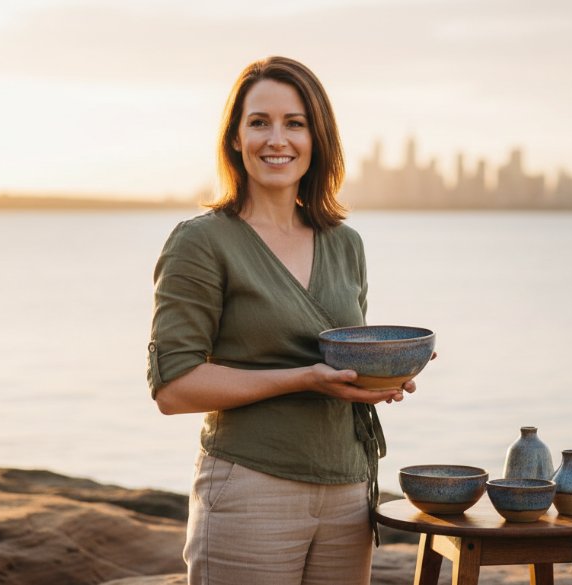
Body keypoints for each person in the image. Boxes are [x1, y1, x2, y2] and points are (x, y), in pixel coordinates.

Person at [147, 56, 419, 585]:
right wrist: (304, 379)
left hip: (348, 490)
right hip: (251, 487)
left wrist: (382, 374)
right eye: (259, 122)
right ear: (235, 138)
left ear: (317, 139)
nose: (278, 139)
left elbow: (342, 355)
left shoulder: (345, 243)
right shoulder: (202, 242)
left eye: (295, 123)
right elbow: (173, 388)